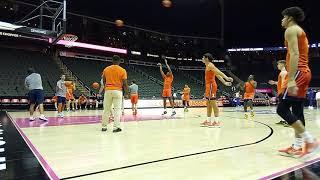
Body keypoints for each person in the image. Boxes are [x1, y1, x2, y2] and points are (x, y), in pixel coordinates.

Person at [277, 7, 319, 159]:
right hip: (305, 71)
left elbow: (294, 53)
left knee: (281, 109)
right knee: (297, 110)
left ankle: (310, 140)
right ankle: (297, 146)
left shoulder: (290, 30)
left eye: (283, 17)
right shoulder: (299, 30)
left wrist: (292, 78)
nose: (281, 20)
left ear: (289, 17)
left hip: (298, 72)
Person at [200, 53, 233, 127]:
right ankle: (208, 121)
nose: (202, 58)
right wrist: (224, 82)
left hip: (211, 86)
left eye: (203, 57)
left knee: (213, 103)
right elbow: (217, 75)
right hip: (209, 86)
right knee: (208, 104)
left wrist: (226, 78)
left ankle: (217, 121)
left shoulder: (210, 65)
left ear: (207, 58)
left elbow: (219, 72)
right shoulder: (208, 66)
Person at [99, 55, 128, 132]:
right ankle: (116, 127)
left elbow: (104, 80)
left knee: (106, 109)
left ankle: (104, 127)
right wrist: (126, 93)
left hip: (108, 90)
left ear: (112, 61)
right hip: (118, 91)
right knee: (117, 110)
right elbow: (125, 83)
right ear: (119, 61)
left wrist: (106, 87)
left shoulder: (106, 69)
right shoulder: (122, 70)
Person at [268, 60, 289, 126]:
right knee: (283, 108)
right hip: (282, 92)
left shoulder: (283, 73)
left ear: (282, 65)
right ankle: (284, 120)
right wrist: (274, 82)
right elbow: (281, 83)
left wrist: (283, 93)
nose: (277, 66)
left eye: (278, 64)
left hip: (283, 92)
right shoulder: (283, 73)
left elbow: (284, 84)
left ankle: (289, 121)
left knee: (284, 107)